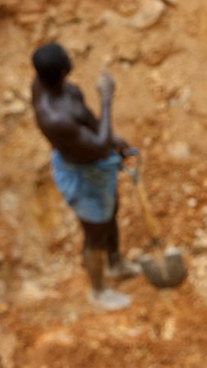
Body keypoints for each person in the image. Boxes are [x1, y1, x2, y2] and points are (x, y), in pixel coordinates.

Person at [31, 43, 141, 311]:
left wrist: (113, 139)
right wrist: (106, 98)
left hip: (95, 163)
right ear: (63, 70)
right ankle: (99, 291)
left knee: (111, 211)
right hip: (83, 175)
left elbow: (91, 126)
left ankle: (115, 264)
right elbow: (99, 144)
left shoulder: (57, 88)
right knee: (94, 232)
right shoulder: (54, 117)